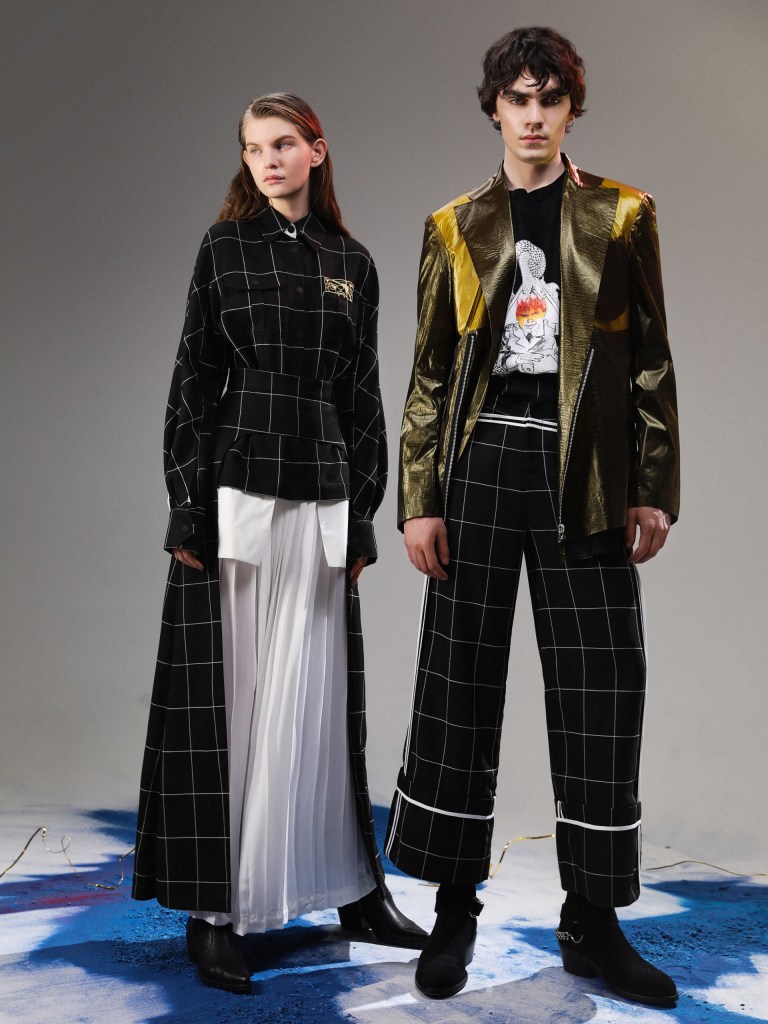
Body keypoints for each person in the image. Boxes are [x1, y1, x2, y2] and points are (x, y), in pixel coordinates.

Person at [384, 28, 680, 1007]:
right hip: (481, 464)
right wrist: (419, 498)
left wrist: (652, 484)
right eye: (518, 98)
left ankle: (592, 919)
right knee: (458, 683)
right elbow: (430, 373)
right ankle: (453, 909)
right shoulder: (455, 224)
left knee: (600, 686)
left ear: (570, 110)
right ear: (495, 109)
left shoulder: (623, 214)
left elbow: (650, 360)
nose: (534, 115)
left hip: (586, 471)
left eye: (551, 99)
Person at [132, 92, 426, 994]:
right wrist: (186, 505)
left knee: (321, 699)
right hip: (237, 488)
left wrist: (367, 511)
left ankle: (352, 891)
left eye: (284, 143)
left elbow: (363, 395)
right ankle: (215, 913)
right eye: (254, 147)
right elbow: (194, 378)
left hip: (326, 491)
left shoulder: (353, 263)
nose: (267, 160)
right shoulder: (224, 248)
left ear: (316, 151)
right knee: (235, 696)